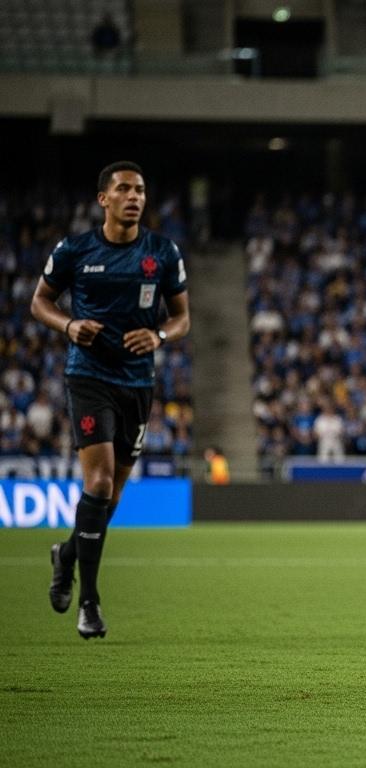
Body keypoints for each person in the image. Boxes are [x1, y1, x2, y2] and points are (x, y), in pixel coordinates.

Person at [30, 161, 190, 639]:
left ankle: (66, 553)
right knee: (98, 484)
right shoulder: (75, 250)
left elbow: (182, 317)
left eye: (140, 189)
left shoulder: (161, 252)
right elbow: (40, 302)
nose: (134, 196)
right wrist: (69, 325)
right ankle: (90, 603)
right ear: (104, 199)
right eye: (123, 189)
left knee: (111, 497)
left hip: (138, 384)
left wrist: (160, 335)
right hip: (89, 377)